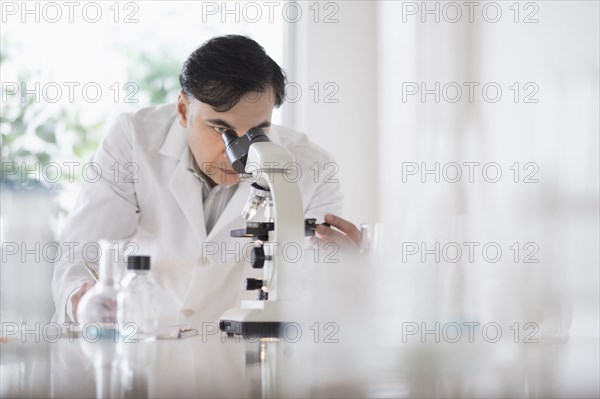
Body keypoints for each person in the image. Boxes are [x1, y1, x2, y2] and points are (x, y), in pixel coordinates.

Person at [51, 35, 361, 328]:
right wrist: (84, 299)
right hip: (150, 347)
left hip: (242, 359)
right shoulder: (134, 141)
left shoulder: (312, 167)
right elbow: (81, 256)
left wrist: (344, 272)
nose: (237, 154)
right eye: (219, 129)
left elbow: (314, 291)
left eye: (257, 131)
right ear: (184, 110)